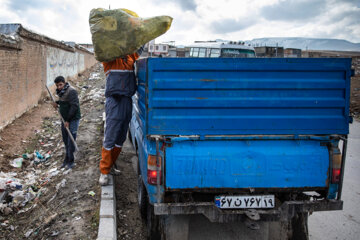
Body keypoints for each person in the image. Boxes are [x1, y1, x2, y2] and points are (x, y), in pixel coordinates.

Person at [99, 46, 144, 185]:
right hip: (114, 101)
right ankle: (104, 172)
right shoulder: (110, 60)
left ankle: (111, 165)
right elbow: (102, 49)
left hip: (127, 101)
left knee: (121, 137)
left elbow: (140, 46)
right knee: (111, 136)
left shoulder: (131, 58)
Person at [53, 76, 81, 169]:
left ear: (64, 83)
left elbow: (74, 106)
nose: (59, 87)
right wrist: (57, 103)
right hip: (64, 119)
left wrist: (68, 120)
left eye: (60, 85)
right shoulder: (61, 92)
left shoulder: (71, 91)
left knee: (71, 140)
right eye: (57, 85)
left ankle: (71, 161)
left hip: (72, 119)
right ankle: (66, 159)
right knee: (65, 140)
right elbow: (64, 102)